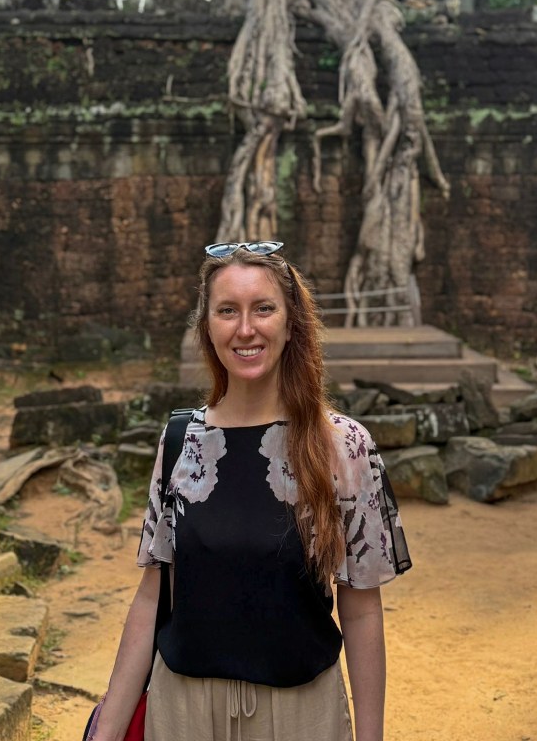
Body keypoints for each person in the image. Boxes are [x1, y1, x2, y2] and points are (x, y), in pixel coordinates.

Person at [91, 241, 411, 741]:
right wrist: (107, 729)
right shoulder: (181, 442)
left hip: (301, 714)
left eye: (263, 308)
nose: (245, 329)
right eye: (227, 311)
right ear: (207, 327)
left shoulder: (343, 447)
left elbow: (362, 608)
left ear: (291, 323)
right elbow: (153, 594)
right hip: (182, 713)